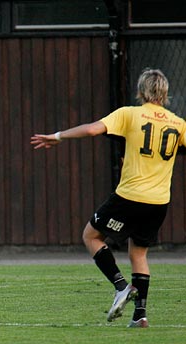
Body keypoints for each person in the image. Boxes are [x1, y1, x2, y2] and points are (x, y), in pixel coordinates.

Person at [30, 68, 183, 328]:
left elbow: (92, 130)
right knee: (139, 254)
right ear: (165, 92)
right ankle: (140, 315)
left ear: (141, 90)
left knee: (90, 235)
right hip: (158, 202)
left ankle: (121, 286)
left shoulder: (130, 114)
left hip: (130, 196)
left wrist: (57, 136)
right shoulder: (178, 123)